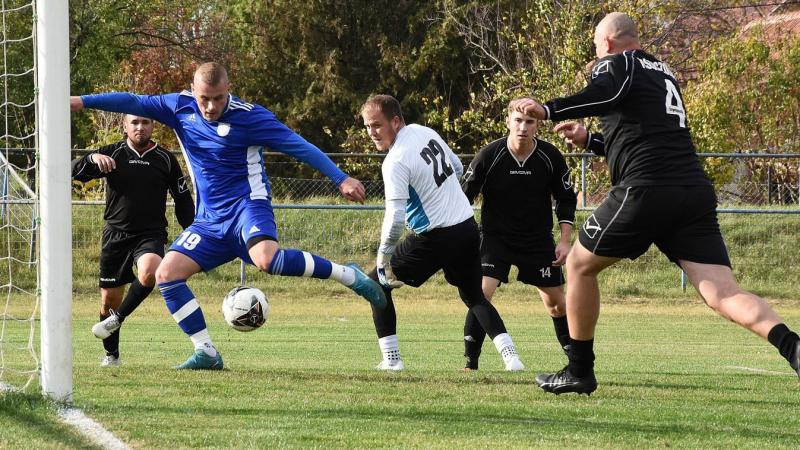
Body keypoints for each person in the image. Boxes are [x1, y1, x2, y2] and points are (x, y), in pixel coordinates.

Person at [517, 12, 800, 395]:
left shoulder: (618, 63)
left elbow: (604, 94)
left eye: (596, 47)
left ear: (607, 43)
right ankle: (793, 348)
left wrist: (547, 109)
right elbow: (644, 139)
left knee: (581, 264)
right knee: (722, 293)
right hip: (690, 191)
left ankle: (579, 371)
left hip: (646, 189)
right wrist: (591, 140)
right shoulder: (663, 72)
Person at [70, 62, 386, 370]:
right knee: (167, 275)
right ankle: (206, 351)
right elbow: (132, 100)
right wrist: (82, 102)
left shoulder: (251, 117)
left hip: (248, 206)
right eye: (203, 98)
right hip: (209, 220)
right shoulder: (179, 106)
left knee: (267, 260)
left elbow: (298, 146)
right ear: (193, 91)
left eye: (217, 98)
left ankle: (348, 275)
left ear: (228, 91)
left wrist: (340, 177)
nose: (209, 106)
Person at [361, 94, 523, 372]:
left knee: (376, 282)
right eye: (367, 126)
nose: (372, 133)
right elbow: (458, 167)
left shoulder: (395, 161)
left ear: (396, 122)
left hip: (436, 236)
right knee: (474, 296)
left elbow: (395, 218)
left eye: (377, 125)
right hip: (467, 227)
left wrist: (382, 257)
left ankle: (392, 359)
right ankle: (511, 357)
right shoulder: (423, 131)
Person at [460, 98, 577, 371]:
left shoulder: (550, 157)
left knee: (557, 305)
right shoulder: (490, 155)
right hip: (494, 238)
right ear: (508, 122)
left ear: (537, 125)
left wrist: (564, 241)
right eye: (518, 120)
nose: (523, 127)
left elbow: (566, 199)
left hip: (536, 241)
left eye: (530, 122)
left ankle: (576, 362)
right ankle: (470, 363)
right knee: (482, 293)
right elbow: (463, 197)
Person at [72, 114, 195, 366]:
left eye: (146, 122)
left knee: (150, 272)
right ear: (125, 126)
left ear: (153, 126)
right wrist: (91, 158)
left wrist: (192, 230)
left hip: (150, 234)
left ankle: (119, 318)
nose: (140, 127)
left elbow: (183, 200)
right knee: (108, 302)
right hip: (115, 236)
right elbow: (74, 171)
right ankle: (112, 355)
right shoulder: (112, 153)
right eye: (135, 123)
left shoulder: (166, 159)